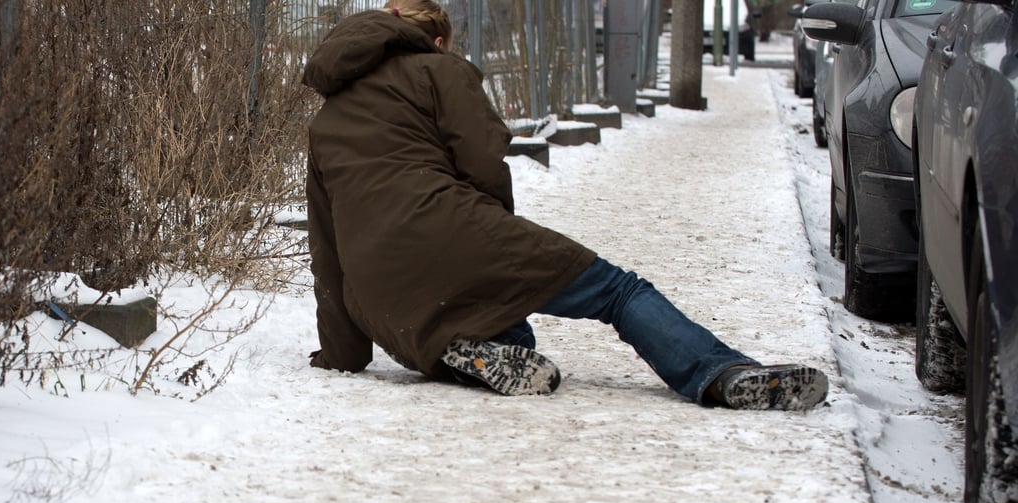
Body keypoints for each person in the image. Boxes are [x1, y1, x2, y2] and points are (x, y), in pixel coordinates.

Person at [302, 0, 829, 410]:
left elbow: (325, 250)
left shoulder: (324, 124)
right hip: (449, 227)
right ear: (433, 39)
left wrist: (342, 356)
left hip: (382, 298)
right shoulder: (440, 69)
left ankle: (464, 355)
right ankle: (721, 374)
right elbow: (484, 157)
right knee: (618, 291)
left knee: (508, 329)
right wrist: (491, 236)